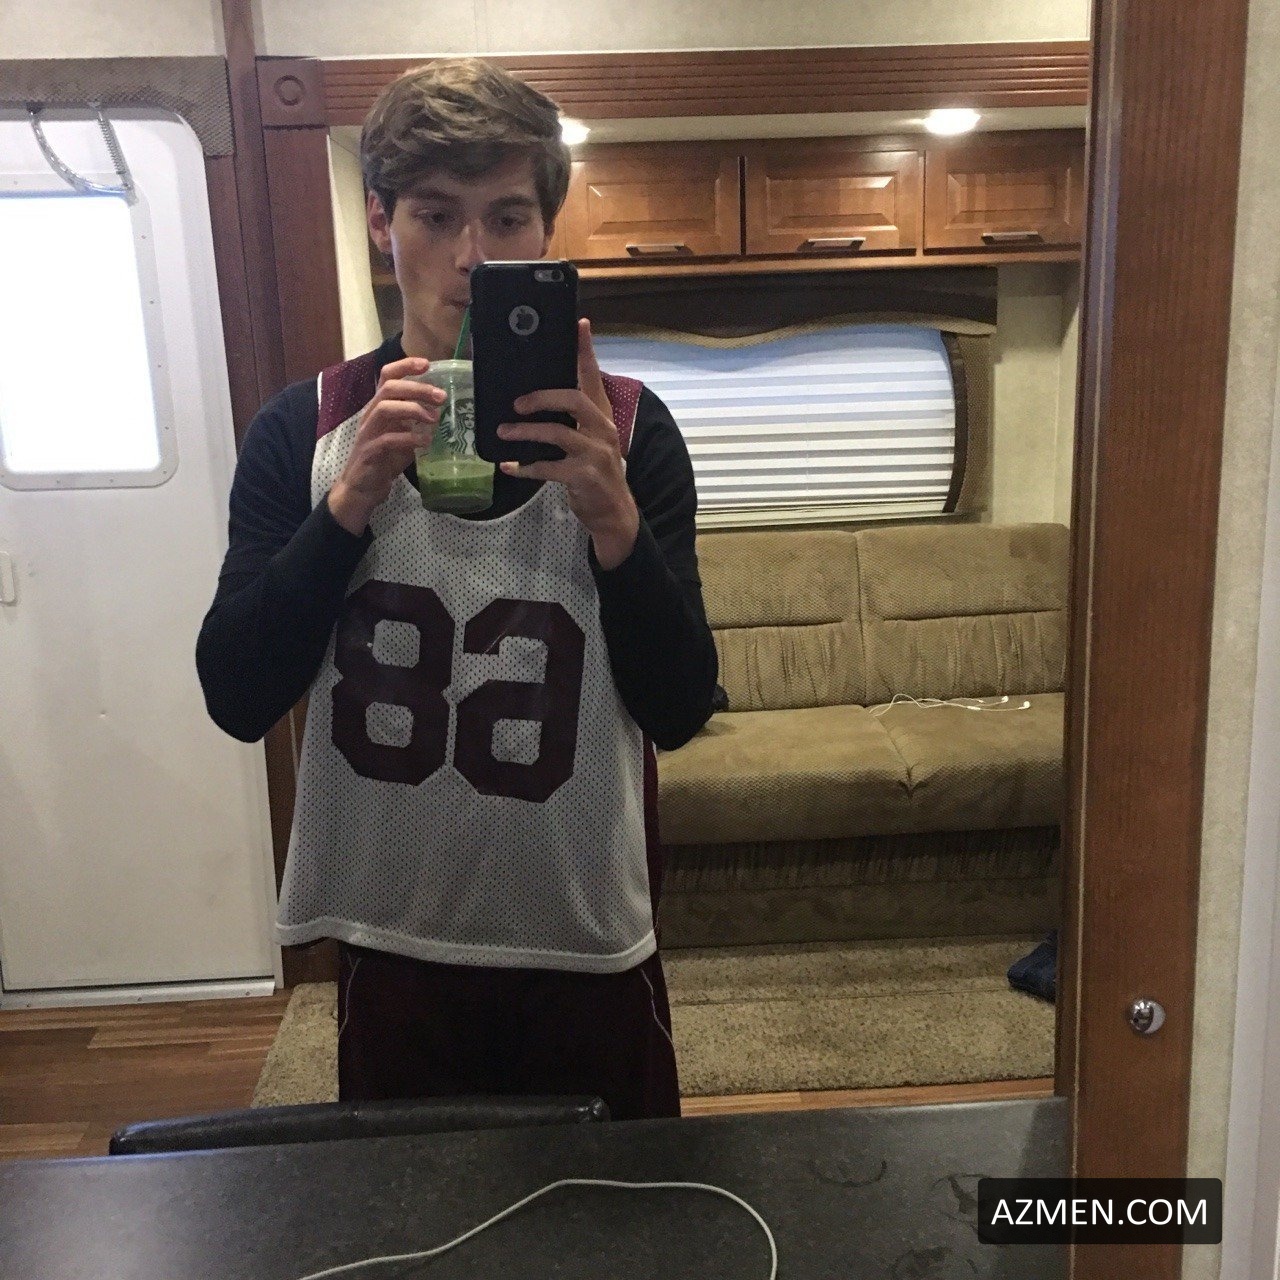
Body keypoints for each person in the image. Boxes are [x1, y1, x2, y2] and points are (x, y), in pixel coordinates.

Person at [196, 58, 717, 1121]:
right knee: (411, 1209)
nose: (474, 257)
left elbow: (679, 706)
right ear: (381, 222)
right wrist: (346, 506)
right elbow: (237, 694)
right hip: (394, 938)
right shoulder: (305, 429)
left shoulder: (627, 429)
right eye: (436, 215)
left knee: (623, 1207)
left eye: (507, 217)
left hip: (585, 939)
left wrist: (615, 524)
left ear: (546, 231)